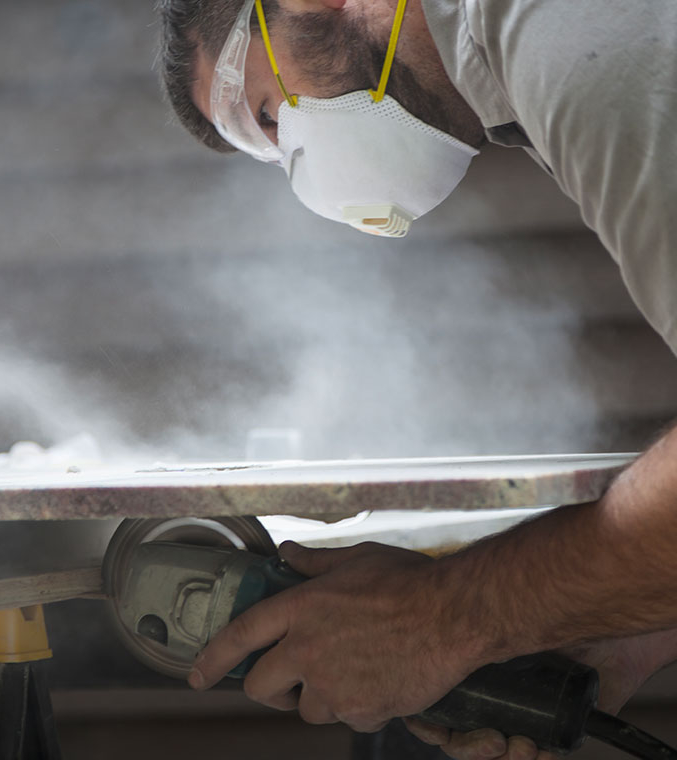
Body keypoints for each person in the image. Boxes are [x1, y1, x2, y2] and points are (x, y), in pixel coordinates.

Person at [156, 0, 677, 757]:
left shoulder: (557, 36)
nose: (297, 160)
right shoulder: (514, 81)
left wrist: (444, 618)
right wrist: (619, 617)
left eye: (268, 116)